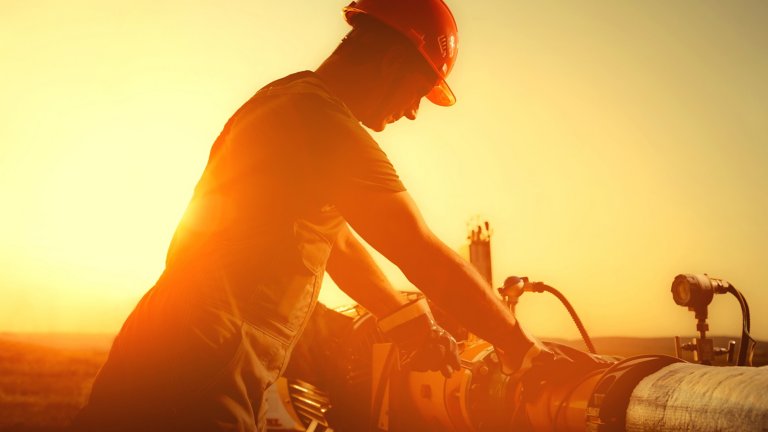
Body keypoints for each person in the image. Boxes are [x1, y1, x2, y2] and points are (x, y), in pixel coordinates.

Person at [73, 0, 548, 430]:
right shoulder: (327, 127)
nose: (413, 114)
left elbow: (334, 242)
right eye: (420, 92)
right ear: (390, 63)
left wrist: (405, 319)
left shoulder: (284, 100)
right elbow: (417, 249)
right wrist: (523, 351)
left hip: (167, 347)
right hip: (202, 371)